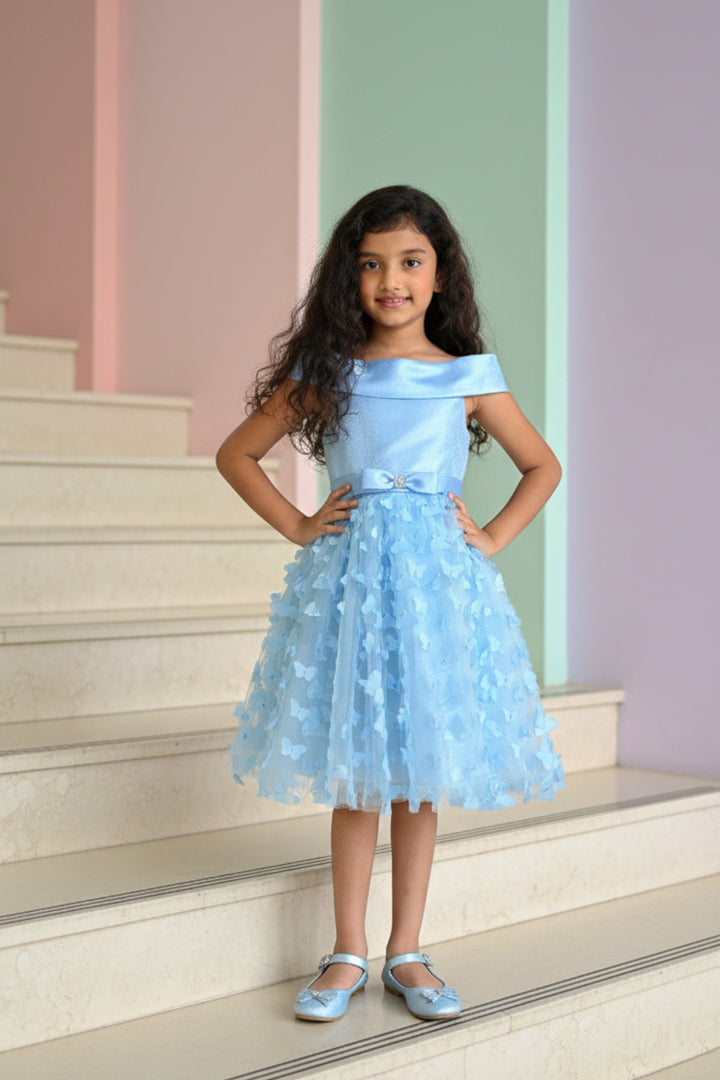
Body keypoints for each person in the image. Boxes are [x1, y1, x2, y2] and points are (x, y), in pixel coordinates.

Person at [216, 184, 565, 1024]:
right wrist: (302, 523)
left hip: (438, 593)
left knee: (419, 776)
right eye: (371, 265)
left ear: (441, 275)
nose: (391, 281)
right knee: (360, 772)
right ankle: (347, 950)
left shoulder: (470, 376)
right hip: (354, 586)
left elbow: (542, 466)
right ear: (350, 277)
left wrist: (487, 540)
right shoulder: (328, 371)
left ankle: (407, 950)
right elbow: (238, 454)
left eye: (410, 263)